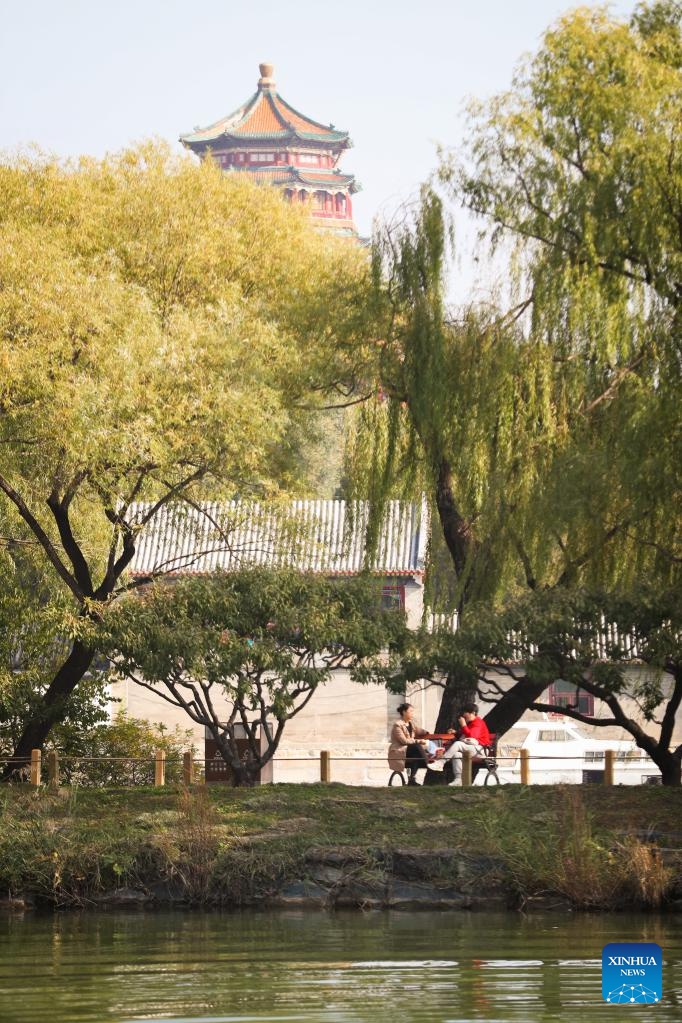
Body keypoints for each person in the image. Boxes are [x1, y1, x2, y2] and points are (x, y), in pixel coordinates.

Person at [439, 703, 492, 786]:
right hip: (473, 750)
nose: (463, 716)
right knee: (456, 754)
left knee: (458, 744)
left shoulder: (478, 722)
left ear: (473, 713)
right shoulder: (470, 723)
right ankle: (458, 779)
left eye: (465, 713)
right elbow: (465, 735)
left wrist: (463, 725)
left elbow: (472, 736)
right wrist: (456, 732)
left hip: (481, 751)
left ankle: (441, 762)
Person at [388, 702, 430, 785]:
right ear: (404, 712)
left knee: (416, 756)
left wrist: (427, 732)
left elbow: (418, 730)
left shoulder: (411, 723)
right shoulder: (397, 725)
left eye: (413, 711)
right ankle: (428, 763)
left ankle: (412, 780)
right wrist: (418, 741)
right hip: (399, 751)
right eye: (411, 711)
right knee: (416, 746)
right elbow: (404, 741)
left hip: (410, 751)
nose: (412, 713)